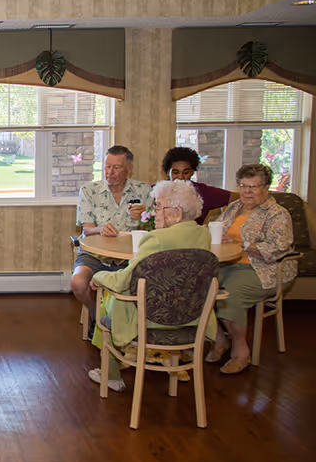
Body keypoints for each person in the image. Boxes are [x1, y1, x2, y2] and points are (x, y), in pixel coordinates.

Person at [87, 180, 218, 392]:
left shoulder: (156, 239)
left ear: (176, 213)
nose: (153, 212)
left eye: (157, 206)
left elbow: (123, 281)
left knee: (108, 297)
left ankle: (111, 374)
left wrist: (98, 276)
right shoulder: (203, 234)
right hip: (191, 318)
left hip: (151, 320)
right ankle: (173, 365)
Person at [207, 164, 297, 375]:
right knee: (199, 286)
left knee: (230, 294)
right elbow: (217, 229)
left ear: (266, 188)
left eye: (254, 186)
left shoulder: (277, 214)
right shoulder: (234, 207)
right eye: (243, 186)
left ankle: (241, 352)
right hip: (228, 264)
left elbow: (277, 249)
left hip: (264, 269)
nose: (247, 191)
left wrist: (242, 244)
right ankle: (219, 339)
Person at [71, 145, 151, 333]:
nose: (110, 172)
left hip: (130, 259)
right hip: (96, 256)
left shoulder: (144, 191)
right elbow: (87, 230)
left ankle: (130, 327)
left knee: (151, 283)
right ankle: (97, 317)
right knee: (78, 283)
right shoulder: (89, 191)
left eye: (116, 167)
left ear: (129, 169)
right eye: (107, 166)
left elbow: (153, 230)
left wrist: (145, 218)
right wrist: (101, 229)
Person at [160, 146, 236, 225]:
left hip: (194, 235)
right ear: (168, 172)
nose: (181, 177)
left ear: (192, 172)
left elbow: (240, 197)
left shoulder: (203, 192)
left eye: (186, 172)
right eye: (175, 172)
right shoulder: (157, 191)